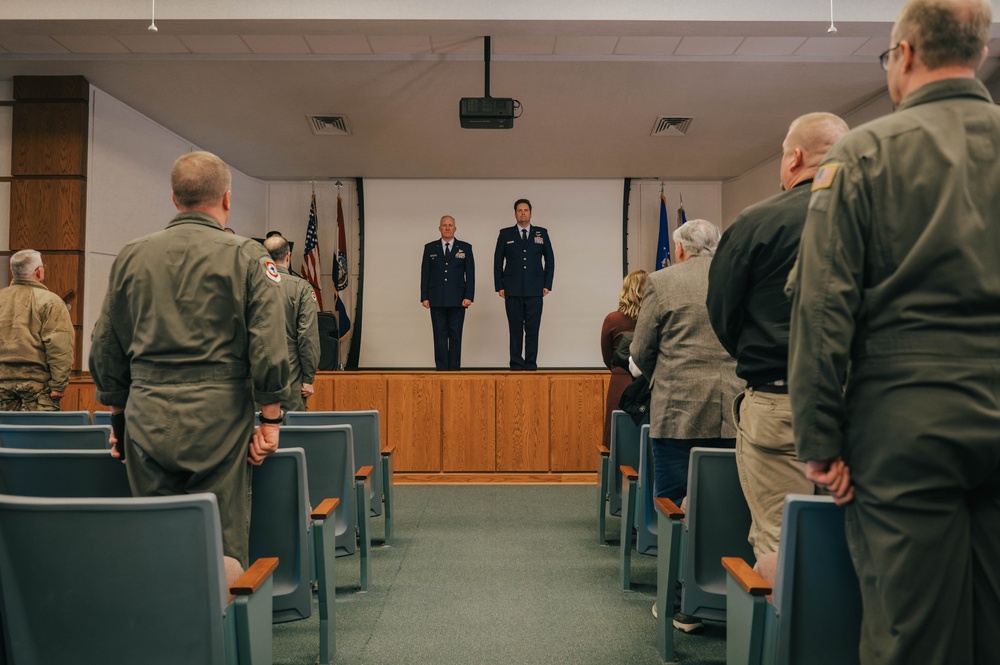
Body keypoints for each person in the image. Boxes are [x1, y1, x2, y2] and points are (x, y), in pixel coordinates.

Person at [786, 2, 999, 662]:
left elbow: (823, 308)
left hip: (904, 424)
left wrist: (819, 437)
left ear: (904, 55)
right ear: (981, 52)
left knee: (910, 634)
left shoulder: (864, 153)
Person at [90, 151, 290, 570]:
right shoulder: (249, 257)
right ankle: (219, 633)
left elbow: (105, 345)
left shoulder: (131, 254)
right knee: (220, 544)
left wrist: (118, 418)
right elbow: (269, 345)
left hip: (145, 415)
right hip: (219, 418)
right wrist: (270, 420)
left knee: (156, 539)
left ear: (175, 198)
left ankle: (162, 629)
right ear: (227, 200)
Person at [706, 112, 849, 565]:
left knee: (780, 547)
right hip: (868, 406)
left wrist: (764, 357)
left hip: (778, 402)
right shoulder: (890, 220)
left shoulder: (755, 222)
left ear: (794, 158)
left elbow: (724, 314)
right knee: (863, 546)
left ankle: (786, 636)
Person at [631, 219, 741, 634]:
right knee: (729, 506)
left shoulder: (662, 281)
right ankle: (729, 596)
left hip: (678, 413)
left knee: (674, 507)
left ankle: (680, 601)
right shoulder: (741, 277)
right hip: (734, 409)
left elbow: (640, 353)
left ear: (680, 249)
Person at [0, 249, 74, 411]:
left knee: (5, 435)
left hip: (2, 384)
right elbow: (60, 346)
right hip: (38, 387)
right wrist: (59, 384)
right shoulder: (51, 302)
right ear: (39, 272)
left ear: (13, 271)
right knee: (38, 435)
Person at [493, 199, 554, 370]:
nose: (523, 213)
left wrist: (547, 284)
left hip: (535, 290)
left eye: (526, 210)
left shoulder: (541, 233)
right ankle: (516, 364)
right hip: (512, 290)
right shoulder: (505, 234)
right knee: (515, 330)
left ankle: (531, 364)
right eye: (519, 210)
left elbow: (550, 260)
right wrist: (500, 286)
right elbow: (498, 262)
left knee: (533, 330)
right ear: (515, 214)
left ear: (531, 213)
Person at [263, 235, 320, 410]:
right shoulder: (301, 288)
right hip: (290, 382)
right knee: (292, 434)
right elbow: (307, 337)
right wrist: (308, 379)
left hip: (256, 384)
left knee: (257, 436)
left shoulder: (250, 286)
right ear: (288, 256)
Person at [421, 215, 475, 370]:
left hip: (458, 300)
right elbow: (425, 273)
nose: (447, 228)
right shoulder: (430, 248)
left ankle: (454, 369)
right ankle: (441, 369)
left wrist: (469, 296)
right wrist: (425, 296)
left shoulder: (465, 248)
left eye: (450, 225)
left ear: (455, 228)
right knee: (439, 336)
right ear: (439, 228)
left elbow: (470, 274)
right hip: (436, 299)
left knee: (456, 336)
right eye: (444, 225)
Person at [600, 269, 648, 445]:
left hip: (620, 384)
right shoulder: (656, 319)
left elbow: (608, 358)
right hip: (648, 385)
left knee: (616, 440)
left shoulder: (612, 319)